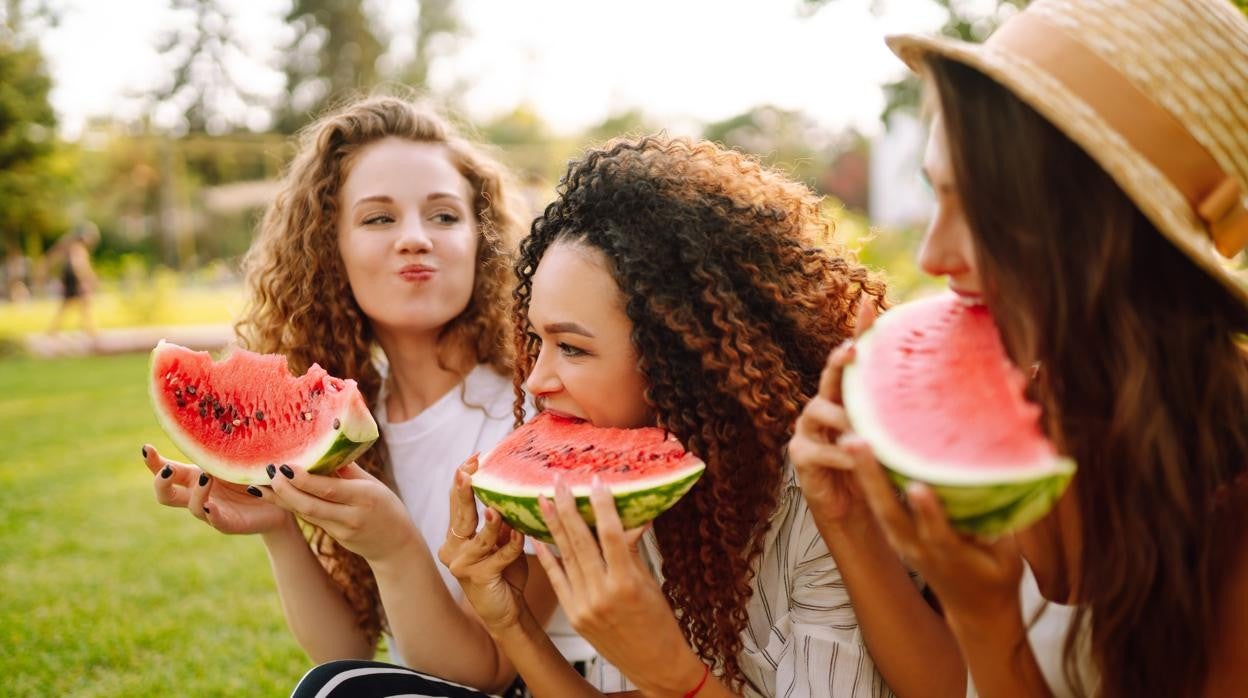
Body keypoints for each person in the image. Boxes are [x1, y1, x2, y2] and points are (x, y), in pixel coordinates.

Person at [794, 1, 1248, 696]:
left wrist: (987, 621)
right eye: (935, 194)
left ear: (1109, 231)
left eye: (982, 210)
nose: (932, 255)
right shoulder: (1031, 404)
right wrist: (849, 521)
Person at [382, 133, 904, 698]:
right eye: (538, 340)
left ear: (680, 357)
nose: (536, 381)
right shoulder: (634, 500)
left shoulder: (817, 503)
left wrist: (671, 670)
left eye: (574, 348)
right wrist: (513, 624)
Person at [140, 93, 563, 694]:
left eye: (444, 215)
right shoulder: (352, 420)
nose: (416, 238)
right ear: (329, 249)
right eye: (379, 218)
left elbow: (484, 674)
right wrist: (278, 528)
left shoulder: (538, 410)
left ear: (480, 238)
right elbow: (345, 650)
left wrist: (394, 549)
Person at [47, 221, 100, 338]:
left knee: (72, 304)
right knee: (83, 303)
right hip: (73, 278)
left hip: (70, 277)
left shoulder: (71, 246)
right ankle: (90, 331)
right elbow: (80, 265)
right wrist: (86, 279)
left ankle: (54, 330)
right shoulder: (78, 248)